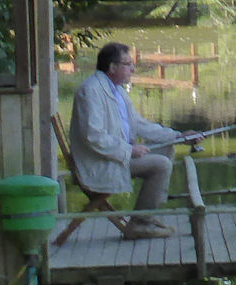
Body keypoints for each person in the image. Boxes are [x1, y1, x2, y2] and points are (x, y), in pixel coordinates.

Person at [70, 42, 202, 240]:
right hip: (98, 162)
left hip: (115, 156)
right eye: (128, 64)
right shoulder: (91, 91)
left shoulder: (118, 90)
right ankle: (140, 224)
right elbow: (94, 136)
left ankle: (147, 214)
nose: (133, 68)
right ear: (112, 67)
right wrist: (129, 150)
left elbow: (140, 125)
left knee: (166, 150)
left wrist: (178, 137)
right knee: (160, 165)